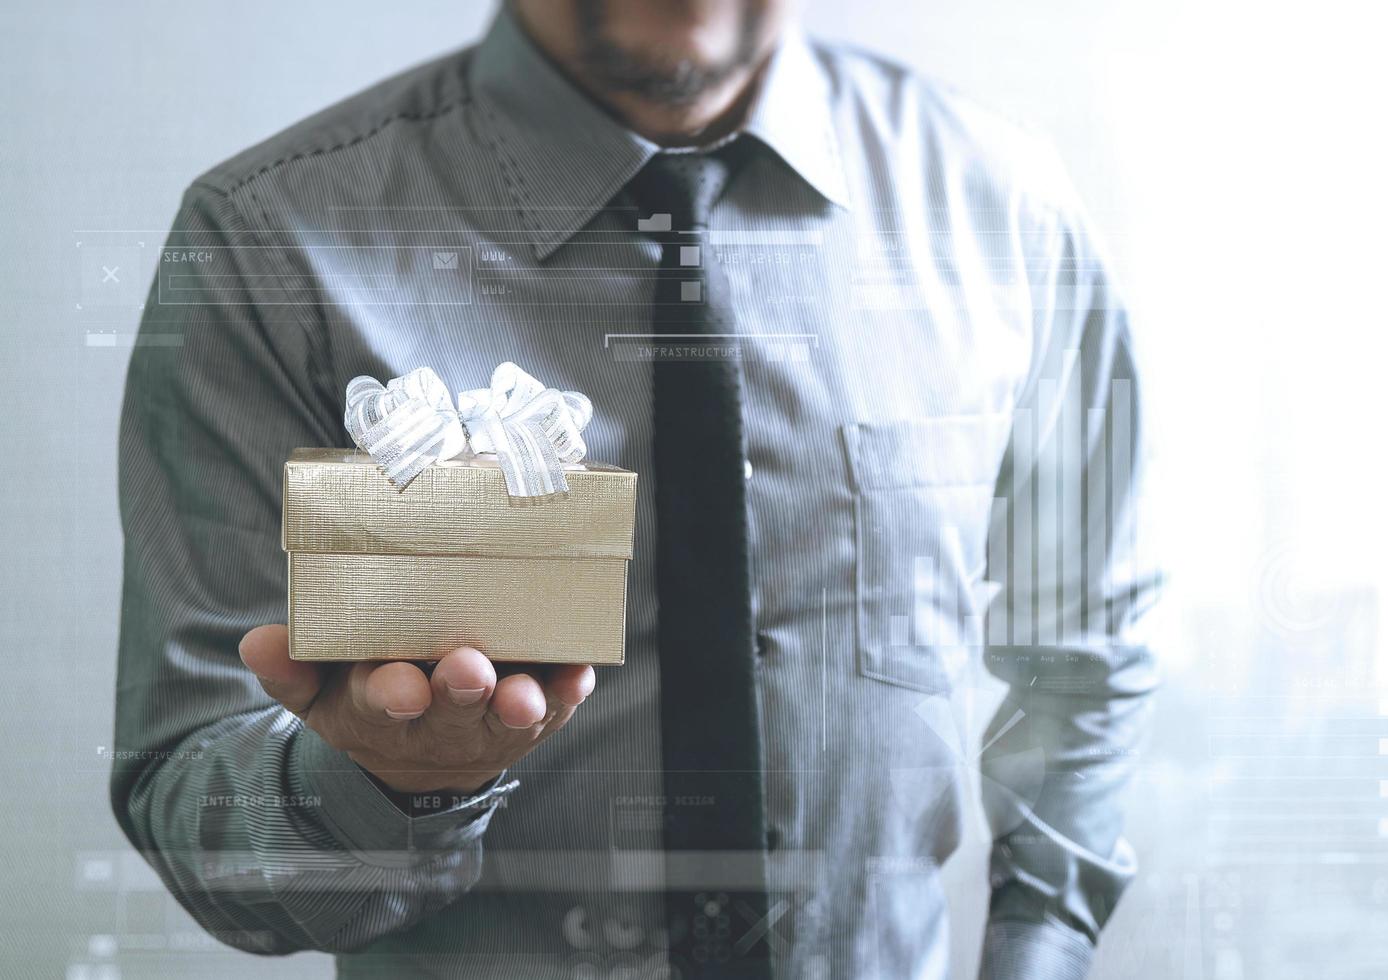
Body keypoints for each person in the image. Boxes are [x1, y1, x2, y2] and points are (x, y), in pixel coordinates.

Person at [112, 1, 1158, 977]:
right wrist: (385, 783)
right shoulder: (266, 245)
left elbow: (1086, 648)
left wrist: (1038, 942)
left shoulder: (1006, 209)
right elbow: (189, 796)